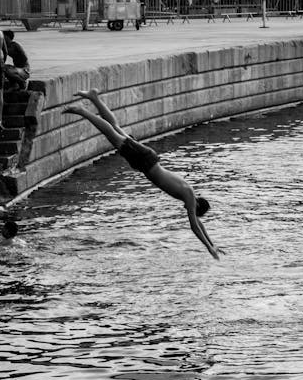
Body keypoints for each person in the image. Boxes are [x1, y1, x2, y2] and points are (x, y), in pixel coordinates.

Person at [63, 89, 219, 259]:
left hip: (148, 160)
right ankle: (83, 112)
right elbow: (194, 226)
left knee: (116, 128)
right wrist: (208, 249)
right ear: (196, 207)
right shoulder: (189, 197)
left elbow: (199, 224)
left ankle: (95, 98)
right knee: (113, 136)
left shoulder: (189, 193)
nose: (187, 210)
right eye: (193, 212)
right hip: (145, 161)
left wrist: (212, 244)